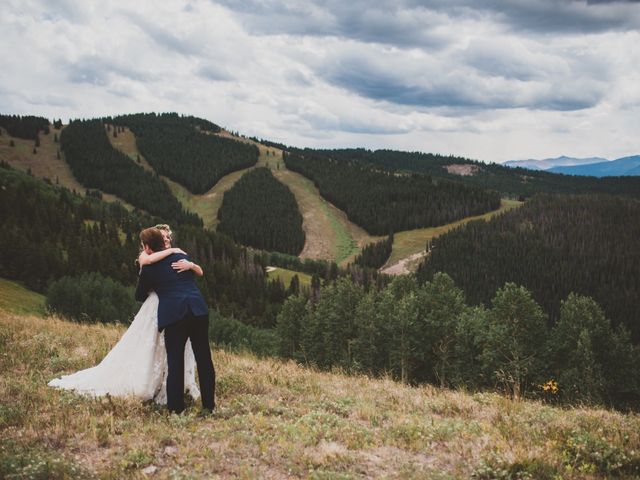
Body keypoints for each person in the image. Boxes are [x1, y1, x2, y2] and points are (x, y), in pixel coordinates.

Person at [48, 229, 202, 405]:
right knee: (151, 344)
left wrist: (189, 265)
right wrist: (173, 252)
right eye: (163, 238)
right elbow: (145, 272)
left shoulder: (177, 257)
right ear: (154, 243)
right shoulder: (149, 257)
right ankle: (149, 383)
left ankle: (173, 385)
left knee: (172, 347)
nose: (167, 240)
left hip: (177, 306)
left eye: (168, 238)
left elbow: (195, 272)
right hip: (157, 306)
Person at [136, 227, 215, 414]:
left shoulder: (149, 267)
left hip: (175, 314)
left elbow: (140, 295)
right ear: (164, 243)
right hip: (198, 309)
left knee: (175, 361)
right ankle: (208, 406)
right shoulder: (181, 256)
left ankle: (176, 409)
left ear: (147, 248)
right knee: (204, 358)